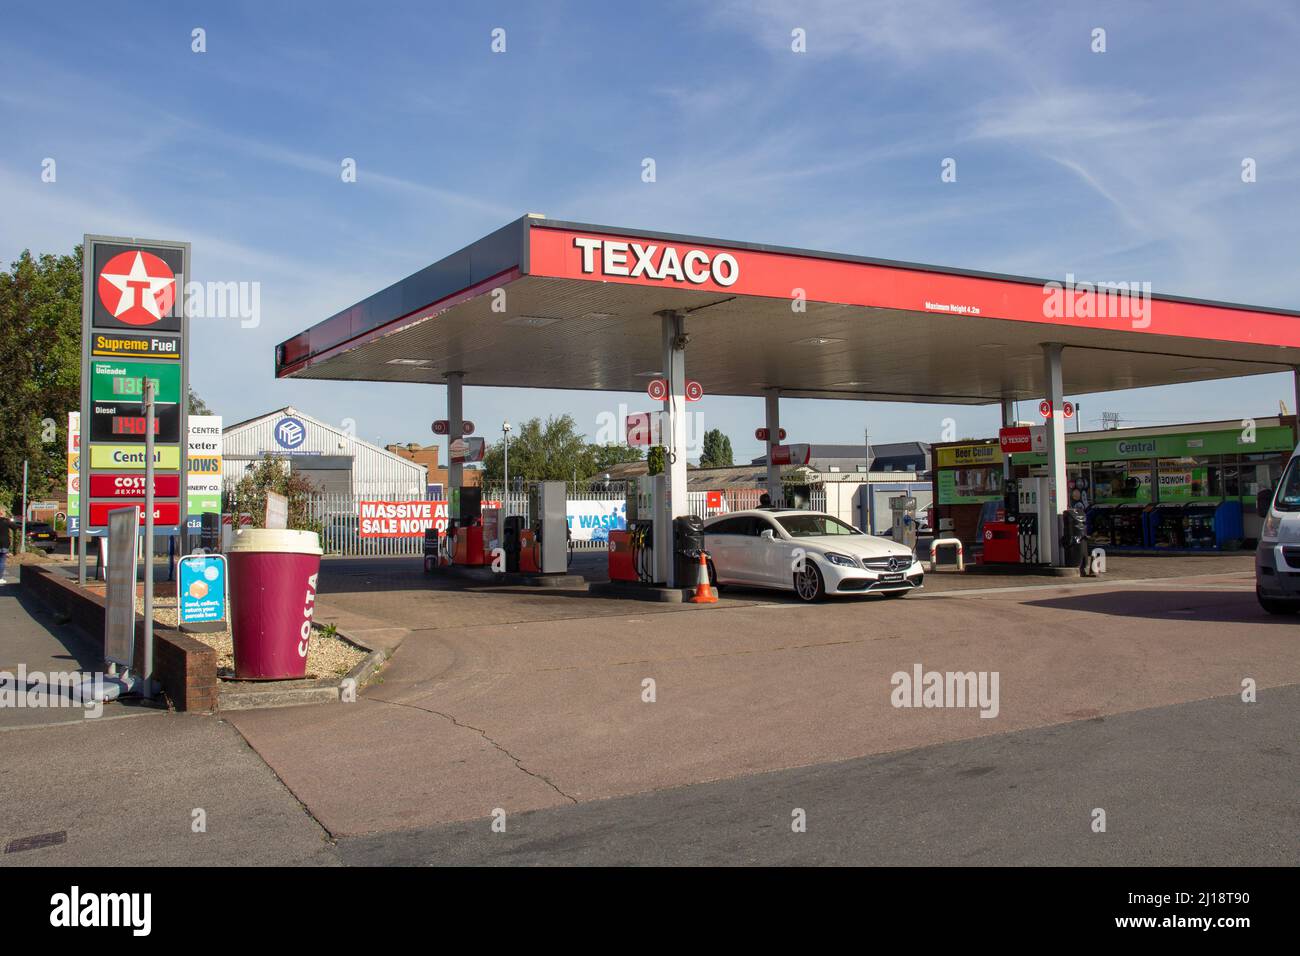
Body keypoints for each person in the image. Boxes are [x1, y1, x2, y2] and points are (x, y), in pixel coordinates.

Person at [0, 505, 16, 585]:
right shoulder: (6, 521)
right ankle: (0, 578)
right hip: (4, 544)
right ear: (2, 513)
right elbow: (15, 527)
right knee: (2, 561)